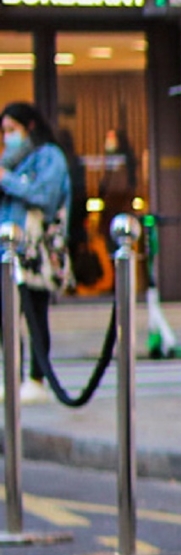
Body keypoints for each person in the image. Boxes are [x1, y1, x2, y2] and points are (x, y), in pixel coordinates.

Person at [1, 102, 72, 399]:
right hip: (8, 251)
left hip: (36, 252)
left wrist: (6, 180)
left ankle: (37, 379)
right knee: (6, 316)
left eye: (12, 130)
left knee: (34, 313)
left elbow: (45, 195)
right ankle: (11, 378)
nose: (7, 137)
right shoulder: (10, 162)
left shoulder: (49, 157)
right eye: (3, 132)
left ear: (29, 127)